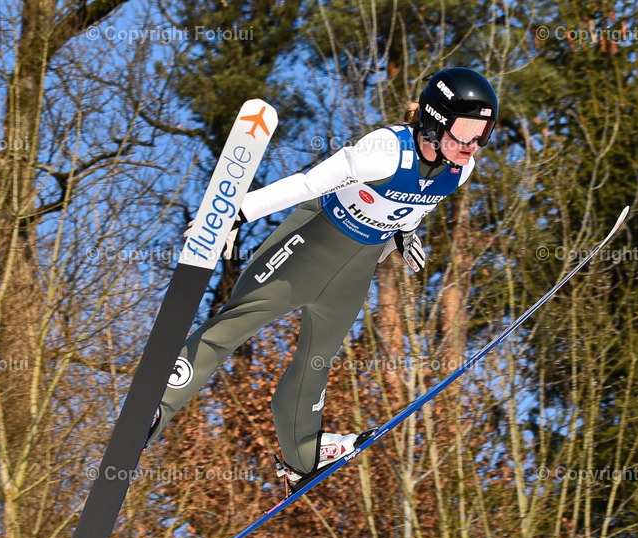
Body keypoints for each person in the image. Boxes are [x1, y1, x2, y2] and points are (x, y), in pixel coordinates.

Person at [146, 67, 498, 494]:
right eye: (466, 131)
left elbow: (418, 203)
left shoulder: (461, 169)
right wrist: (234, 213)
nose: (473, 144)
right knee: (231, 328)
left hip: (354, 272)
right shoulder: (385, 151)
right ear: (435, 120)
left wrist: (404, 234)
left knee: (316, 362)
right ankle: (156, 407)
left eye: (483, 134)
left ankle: (302, 456)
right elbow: (308, 183)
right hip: (310, 245)